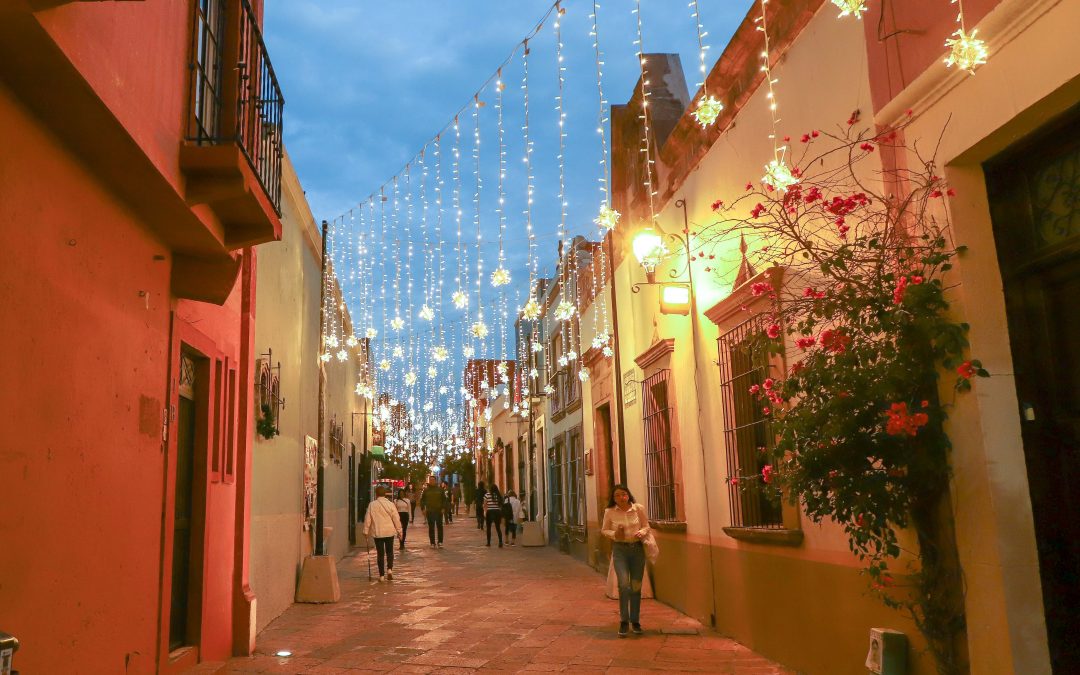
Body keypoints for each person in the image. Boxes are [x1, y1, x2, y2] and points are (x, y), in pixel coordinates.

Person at [601, 484, 649, 637]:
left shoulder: (638, 509)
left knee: (636, 586)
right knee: (623, 584)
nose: (621, 497)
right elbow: (604, 530)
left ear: (628, 495)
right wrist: (615, 534)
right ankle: (624, 621)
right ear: (613, 498)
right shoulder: (609, 512)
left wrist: (642, 532)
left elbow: (646, 526)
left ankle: (635, 621)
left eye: (623, 494)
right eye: (617, 495)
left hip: (637, 550)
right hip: (620, 550)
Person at [363, 485, 402, 582]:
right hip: (389, 532)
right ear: (385, 494)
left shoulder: (372, 505)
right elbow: (396, 518)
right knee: (390, 552)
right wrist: (399, 531)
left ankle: (381, 575)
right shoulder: (390, 504)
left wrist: (365, 531)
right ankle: (389, 570)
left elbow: (368, 519)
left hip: (378, 532)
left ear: (376, 494)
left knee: (380, 554)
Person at [420, 476, 447, 548]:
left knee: (439, 526)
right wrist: (423, 509)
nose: (432, 481)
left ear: (435, 481)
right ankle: (432, 542)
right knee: (431, 527)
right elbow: (422, 500)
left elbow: (444, 500)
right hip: (430, 511)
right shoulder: (426, 490)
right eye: (430, 480)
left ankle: (440, 542)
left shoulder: (440, 490)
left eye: (433, 480)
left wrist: (443, 508)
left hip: (438, 511)